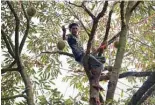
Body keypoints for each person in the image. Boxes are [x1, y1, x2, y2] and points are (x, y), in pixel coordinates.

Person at [62, 23, 107, 90]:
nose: (75, 30)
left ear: (78, 29)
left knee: (102, 59)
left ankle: (94, 71)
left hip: (84, 55)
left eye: (76, 28)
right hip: (80, 55)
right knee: (100, 65)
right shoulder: (70, 36)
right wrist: (64, 32)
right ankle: (96, 82)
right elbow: (64, 38)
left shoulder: (78, 39)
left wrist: (99, 49)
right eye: (73, 28)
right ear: (70, 30)